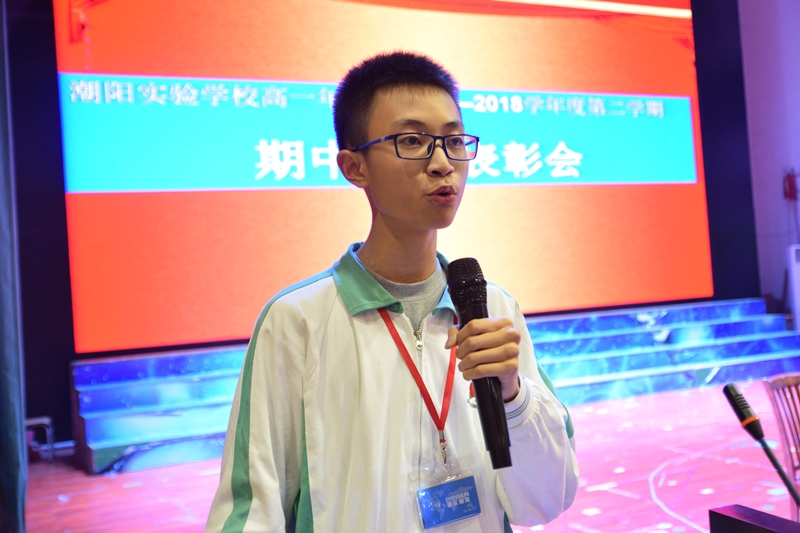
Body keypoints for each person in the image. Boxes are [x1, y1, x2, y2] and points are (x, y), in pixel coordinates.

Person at [206, 51, 578, 532]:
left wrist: (513, 395)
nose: (443, 164)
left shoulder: (493, 308)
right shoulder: (299, 318)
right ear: (353, 167)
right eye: (412, 141)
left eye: (453, 140)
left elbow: (546, 500)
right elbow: (253, 508)